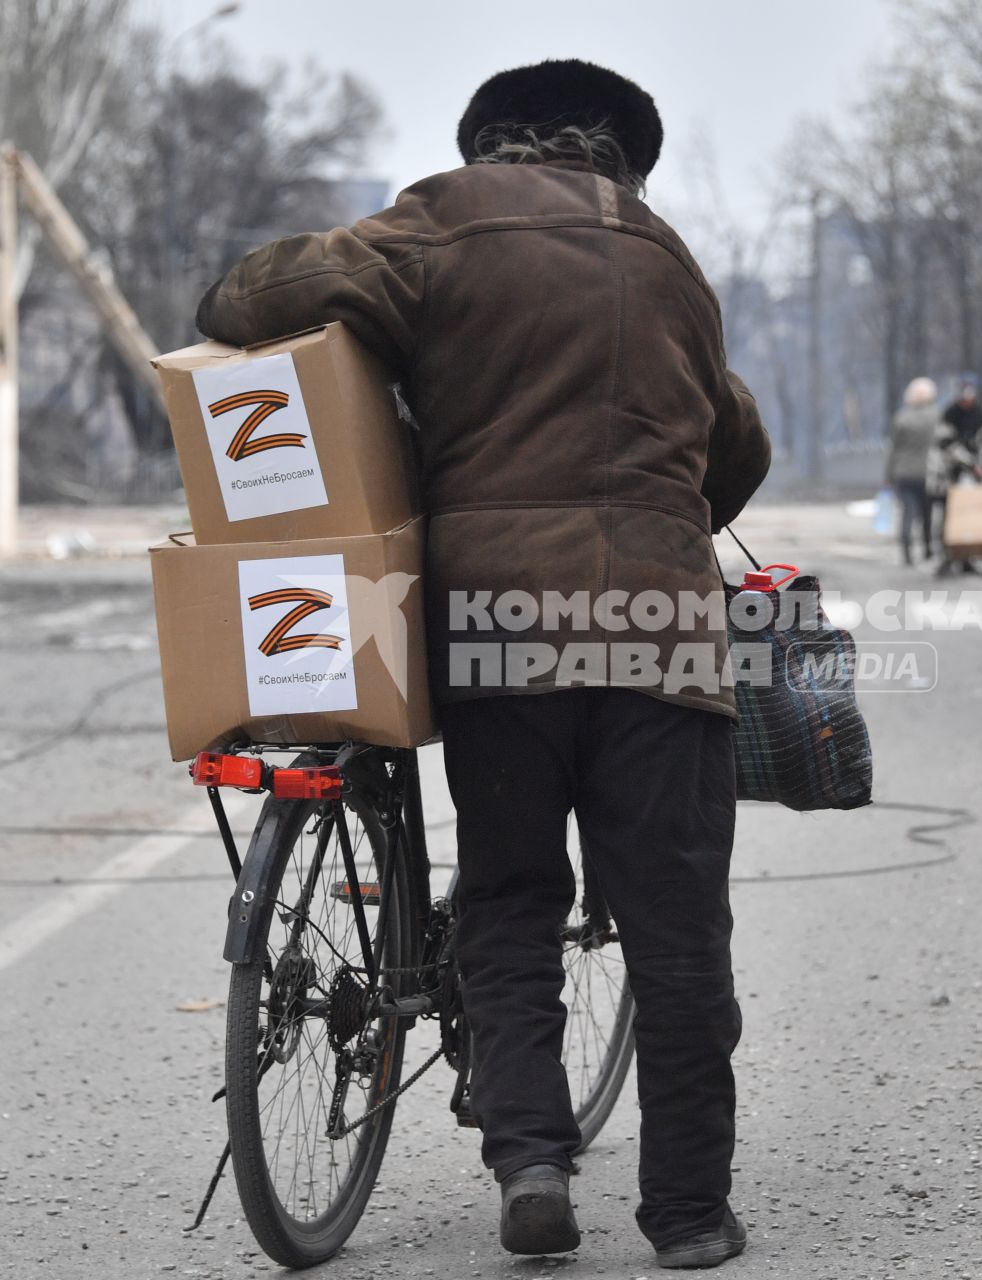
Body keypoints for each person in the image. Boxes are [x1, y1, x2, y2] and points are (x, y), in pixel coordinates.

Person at [195, 58, 770, 1270]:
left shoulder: (446, 221)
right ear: (620, 159)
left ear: (493, 145)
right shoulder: (670, 259)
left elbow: (252, 298)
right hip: (660, 630)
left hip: (495, 624)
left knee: (510, 895)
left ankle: (532, 1162)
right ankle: (688, 1213)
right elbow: (739, 441)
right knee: (676, 926)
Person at [884, 377, 949, 566]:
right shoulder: (938, 416)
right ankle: (928, 548)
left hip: (904, 472)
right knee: (927, 511)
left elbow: (893, 449)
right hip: (929, 472)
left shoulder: (901, 418)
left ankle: (906, 549)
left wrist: (888, 476)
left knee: (908, 512)